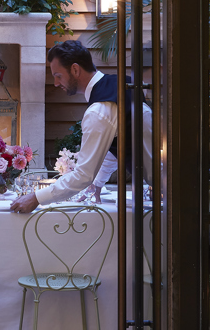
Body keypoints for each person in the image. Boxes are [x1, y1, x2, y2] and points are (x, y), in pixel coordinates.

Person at [11, 40, 152, 213]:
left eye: (58, 75)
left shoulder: (99, 110)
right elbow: (117, 147)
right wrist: (97, 184)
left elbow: (82, 175)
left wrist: (36, 198)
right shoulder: (121, 84)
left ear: (75, 70)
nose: (55, 83)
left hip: (169, 191)